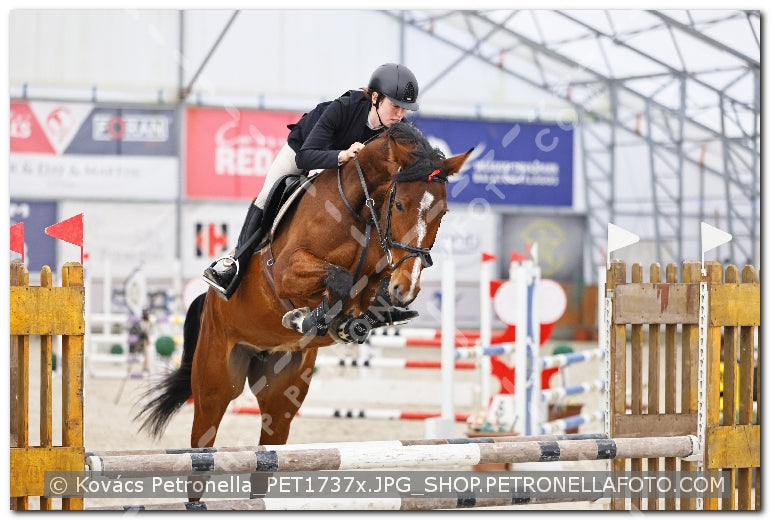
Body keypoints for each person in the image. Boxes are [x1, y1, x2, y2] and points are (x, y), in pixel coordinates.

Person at [203, 63, 422, 331]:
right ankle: (235, 261)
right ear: (375, 98)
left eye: (404, 109)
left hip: (345, 177)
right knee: (268, 192)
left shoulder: (397, 128)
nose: (400, 114)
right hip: (307, 150)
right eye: (395, 106)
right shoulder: (344, 107)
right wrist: (340, 156)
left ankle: (373, 300)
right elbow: (304, 155)